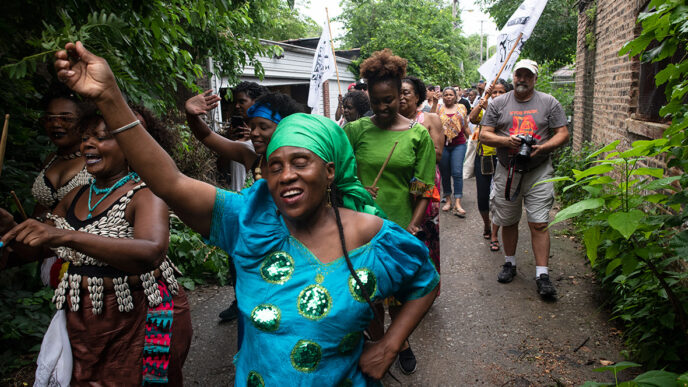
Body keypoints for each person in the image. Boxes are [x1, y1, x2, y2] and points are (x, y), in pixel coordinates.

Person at [51, 41, 439, 385]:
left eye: (301, 162)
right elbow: (169, 182)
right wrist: (108, 98)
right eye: (274, 165)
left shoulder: (373, 235)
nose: (286, 175)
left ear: (330, 171)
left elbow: (425, 280)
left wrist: (390, 344)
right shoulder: (248, 221)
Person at [1, 108, 192, 385]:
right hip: (86, 324)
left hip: (142, 317)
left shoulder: (147, 193)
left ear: (130, 147)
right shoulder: (75, 196)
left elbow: (150, 252)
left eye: (102, 138)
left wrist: (67, 237)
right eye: (86, 137)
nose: (89, 144)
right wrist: (9, 229)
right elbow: (38, 248)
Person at [344, 49, 437, 375]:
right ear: (367, 94)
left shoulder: (417, 135)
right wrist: (353, 186)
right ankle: (381, 345)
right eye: (377, 100)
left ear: (402, 95)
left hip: (396, 229)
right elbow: (336, 174)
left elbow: (424, 188)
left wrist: (413, 225)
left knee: (398, 297)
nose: (383, 107)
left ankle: (398, 343)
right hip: (357, 227)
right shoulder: (355, 132)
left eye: (390, 100)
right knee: (366, 299)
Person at [186, 90, 304, 326]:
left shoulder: (304, 164)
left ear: (282, 129)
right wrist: (191, 115)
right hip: (257, 246)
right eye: (252, 126)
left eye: (263, 126)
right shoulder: (252, 157)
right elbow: (207, 137)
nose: (255, 133)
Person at [479, 59, 570, 299]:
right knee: (508, 220)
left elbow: (563, 133)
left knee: (539, 222)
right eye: (519, 74)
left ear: (534, 79)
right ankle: (509, 263)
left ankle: (542, 274)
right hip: (507, 170)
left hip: (538, 169)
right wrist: (507, 141)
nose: (522, 79)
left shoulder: (549, 102)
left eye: (527, 76)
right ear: (514, 76)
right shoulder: (499, 103)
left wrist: (543, 148)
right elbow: (484, 134)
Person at [31, 86, 91, 287]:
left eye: (65, 118)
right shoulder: (50, 160)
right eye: (50, 118)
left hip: (84, 254)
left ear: (82, 122)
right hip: (48, 252)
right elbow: (40, 209)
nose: (56, 124)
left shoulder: (95, 160)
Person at [399, 76, 443, 283]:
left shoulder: (430, 119)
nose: (401, 97)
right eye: (397, 93)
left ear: (418, 96)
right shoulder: (389, 122)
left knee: (425, 230)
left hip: (423, 181)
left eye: (406, 92)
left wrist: (407, 154)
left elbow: (438, 153)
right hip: (397, 182)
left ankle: (428, 284)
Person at [468, 79, 511, 252]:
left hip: (504, 158)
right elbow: (472, 118)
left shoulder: (512, 109)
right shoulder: (485, 105)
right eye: (495, 92)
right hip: (484, 157)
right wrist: (482, 103)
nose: (498, 95)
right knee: (483, 197)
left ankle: (494, 233)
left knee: (500, 197)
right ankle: (487, 224)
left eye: (502, 92)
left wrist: (490, 109)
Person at [437, 87, 471, 217]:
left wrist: (473, 140)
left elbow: (466, 126)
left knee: (457, 172)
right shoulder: (439, 109)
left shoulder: (462, 108)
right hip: (443, 145)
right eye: (446, 95)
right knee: (445, 173)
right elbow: (435, 127)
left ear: (455, 96)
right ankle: (448, 199)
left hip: (459, 144)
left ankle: (458, 202)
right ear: (443, 97)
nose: (448, 97)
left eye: (451, 94)